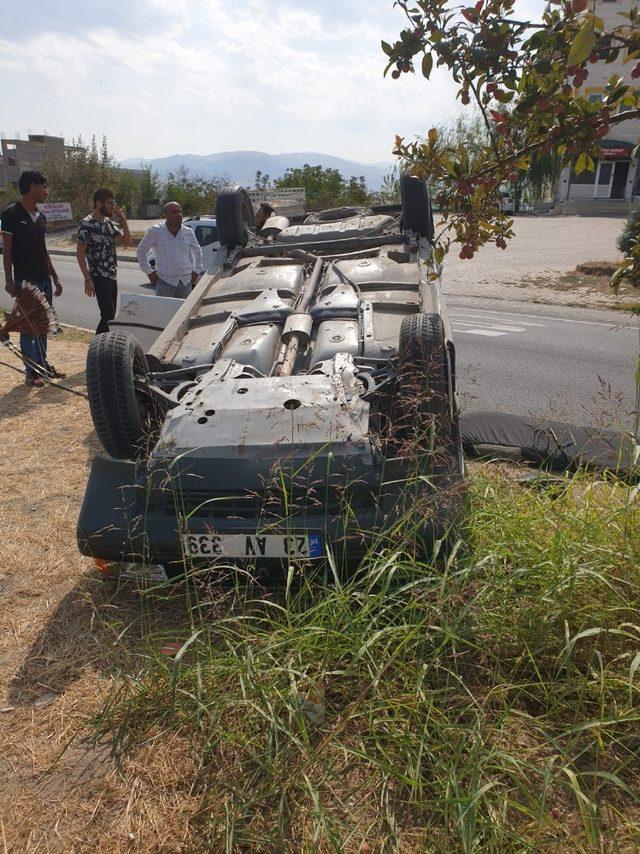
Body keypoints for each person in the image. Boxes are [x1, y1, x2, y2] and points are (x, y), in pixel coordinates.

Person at [1, 169, 65, 387]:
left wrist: (55, 277)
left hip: (44, 279)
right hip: (25, 281)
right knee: (28, 326)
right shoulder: (11, 215)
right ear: (31, 187)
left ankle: (42, 364)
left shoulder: (41, 217)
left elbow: (44, 250)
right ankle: (32, 372)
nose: (46, 191)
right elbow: (7, 251)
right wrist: (9, 281)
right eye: (43, 186)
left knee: (43, 324)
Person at [76, 188, 131, 334]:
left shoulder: (109, 223)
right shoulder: (86, 224)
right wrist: (87, 279)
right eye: (110, 203)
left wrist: (123, 219)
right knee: (108, 315)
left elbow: (127, 241)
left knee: (110, 316)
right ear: (99, 204)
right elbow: (80, 253)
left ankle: (102, 347)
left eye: (114, 203)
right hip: (98, 276)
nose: (113, 206)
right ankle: (97, 349)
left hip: (112, 275)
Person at [136, 202, 203, 299]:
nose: (179, 215)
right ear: (165, 215)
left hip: (185, 282)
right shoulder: (155, 231)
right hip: (165, 282)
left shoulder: (188, 232)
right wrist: (149, 272)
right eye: (174, 212)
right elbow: (141, 250)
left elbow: (197, 251)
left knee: (184, 313)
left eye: (180, 211)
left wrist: (196, 270)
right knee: (165, 313)